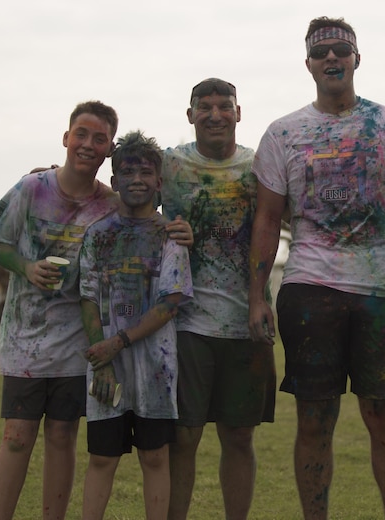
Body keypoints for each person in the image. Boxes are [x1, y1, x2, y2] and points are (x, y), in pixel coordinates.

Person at [247, 16, 385, 520]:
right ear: (308, 63)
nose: (331, 59)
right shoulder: (283, 133)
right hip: (309, 289)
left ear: (357, 58)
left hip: (381, 291)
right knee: (314, 421)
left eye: (340, 50)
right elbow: (268, 219)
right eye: (321, 52)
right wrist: (255, 296)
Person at [0, 101, 192, 520]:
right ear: (66, 137)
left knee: (63, 435)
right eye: (81, 134)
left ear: (108, 148)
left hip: (84, 349)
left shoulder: (114, 205)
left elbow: (146, 219)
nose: (88, 144)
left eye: (99, 138)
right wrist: (25, 267)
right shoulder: (33, 188)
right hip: (30, 341)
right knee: (17, 437)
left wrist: (181, 226)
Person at [163, 78, 276, 520]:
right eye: (204, 107)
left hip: (246, 323)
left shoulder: (259, 166)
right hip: (185, 323)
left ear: (238, 112)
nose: (214, 115)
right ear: (189, 115)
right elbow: (128, 208)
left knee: (239, 437)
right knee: (184, 437)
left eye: (223, 106)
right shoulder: (169, 165)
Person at [79, 130, 193, 519]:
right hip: (105, 369)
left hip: (157, 371)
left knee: (155, 456)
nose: (137, 180)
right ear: (114, 182)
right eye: (127, 172)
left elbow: (170, 303)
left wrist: (119, 342)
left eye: (145, 172)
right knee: (101, 458)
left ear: (159, 182)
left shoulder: (170, 234)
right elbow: (88, 298)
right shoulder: (97, 235)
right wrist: (104, 359)